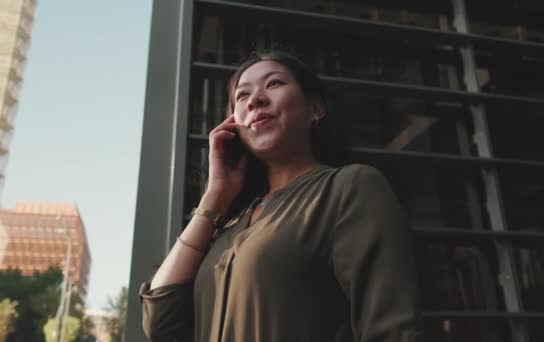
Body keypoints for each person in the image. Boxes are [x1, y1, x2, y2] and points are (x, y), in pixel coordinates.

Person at [139, 50, 422, 342]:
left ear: (315, 108)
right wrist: (214, 196)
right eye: (241, 96)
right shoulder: (231, 223)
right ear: (234, 124)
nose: (255, 100)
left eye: (273, 84)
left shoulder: (350, 187)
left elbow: (391, 330)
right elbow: (160, 323)